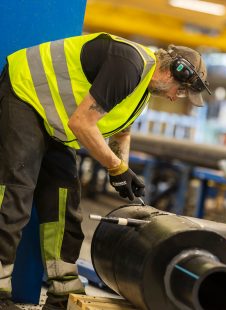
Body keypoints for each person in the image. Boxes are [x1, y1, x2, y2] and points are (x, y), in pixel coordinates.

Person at [0, 32, 211, 309]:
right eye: (181, 91)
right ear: (173, 72)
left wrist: (123, 172)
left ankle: (63, 290)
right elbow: (82, 123)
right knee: (16, 193)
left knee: (64, 204)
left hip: (55, 121)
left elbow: (121, 133)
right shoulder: (129, 65)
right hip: (25, 92)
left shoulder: (142, 90)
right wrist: (115, 167)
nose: (176, 98)